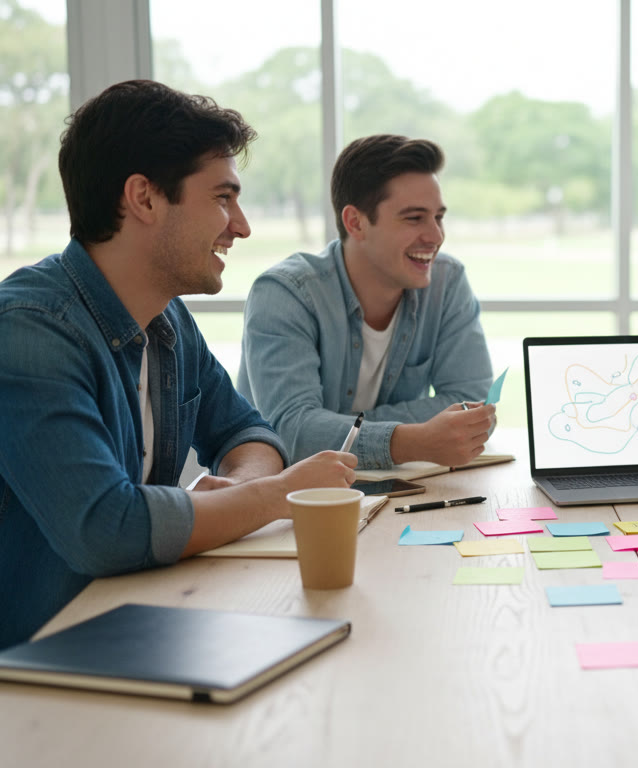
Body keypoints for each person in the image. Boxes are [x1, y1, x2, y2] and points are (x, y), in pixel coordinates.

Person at [0, 80, 357, 648]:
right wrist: (273, 494)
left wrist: (239, 489)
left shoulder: (167, 321)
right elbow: (105, 529)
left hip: (142, 628)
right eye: (222, 198)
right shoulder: (28, 331)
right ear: (143, 198)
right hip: (36, 674)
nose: (240, 226)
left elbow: (248, 431)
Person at [237, 135, 495, 470]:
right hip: (297, 504)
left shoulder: (446, 282)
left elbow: (474, 411)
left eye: (438, 217)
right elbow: (291, 432)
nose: (435, 236)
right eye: (415, 218)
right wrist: (412, 440)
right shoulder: (285, 294)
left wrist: (333, 426)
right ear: (355, 222)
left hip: (399, 491)